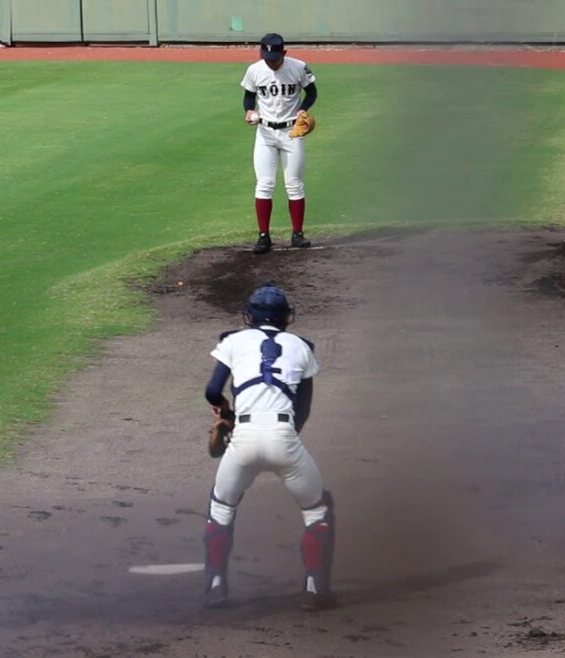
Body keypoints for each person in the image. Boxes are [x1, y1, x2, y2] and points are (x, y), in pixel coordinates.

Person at [200, 282, 334, 611]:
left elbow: (213, 390)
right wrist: (285, 441)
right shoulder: (302, 347)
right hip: (284, 436)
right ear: (286, 317)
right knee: (317, 510)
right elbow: (302, 409)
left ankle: (216, 585)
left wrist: (226, 412)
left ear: (250, 316)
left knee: (222, 507)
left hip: (243, 439)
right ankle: (315, 589)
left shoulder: (232, 341)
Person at [241, 33, 318, 254]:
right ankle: (263, 237)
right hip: (264, 132)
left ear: (284, 53)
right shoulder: (255, 70)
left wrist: (303, 108)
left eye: (274, 58)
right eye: (267, 57)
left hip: (292, 131)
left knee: (294, 183)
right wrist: (248, 110)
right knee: (264, 184)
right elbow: (249, 95)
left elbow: (312, 92)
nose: (271, 62)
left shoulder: (299, 67)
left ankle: (297, 234)